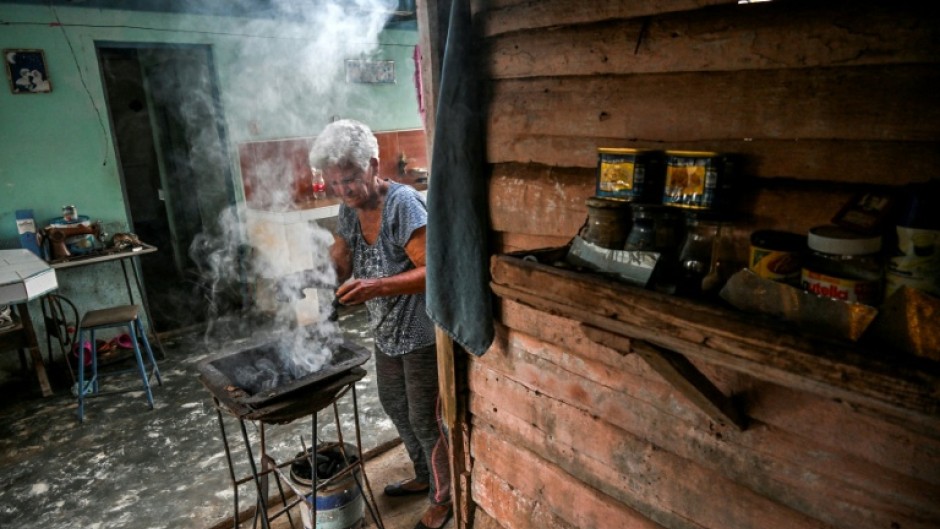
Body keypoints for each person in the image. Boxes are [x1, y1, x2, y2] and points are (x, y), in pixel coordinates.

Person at [309, 119, 452, 529]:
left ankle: (445, 496)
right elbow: (341, 258)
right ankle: (424, 476)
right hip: (387, 332)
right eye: (335, 183)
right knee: (396, 407)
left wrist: (377, 287)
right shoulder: (349, 209)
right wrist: (315, 277)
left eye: (350, 179)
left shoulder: (402, 204)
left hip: (422, 332)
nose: (343, 190)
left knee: (426, 417)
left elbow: (434, 271)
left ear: (373, 164)